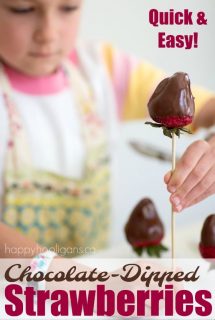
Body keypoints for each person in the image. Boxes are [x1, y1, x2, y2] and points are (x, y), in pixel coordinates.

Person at [0, 0, 215, 261]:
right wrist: (68, 276)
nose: (48, 33)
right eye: (22, 9)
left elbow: (206, 107)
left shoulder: (100, 68)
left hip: (92, 280)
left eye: (68, 8)